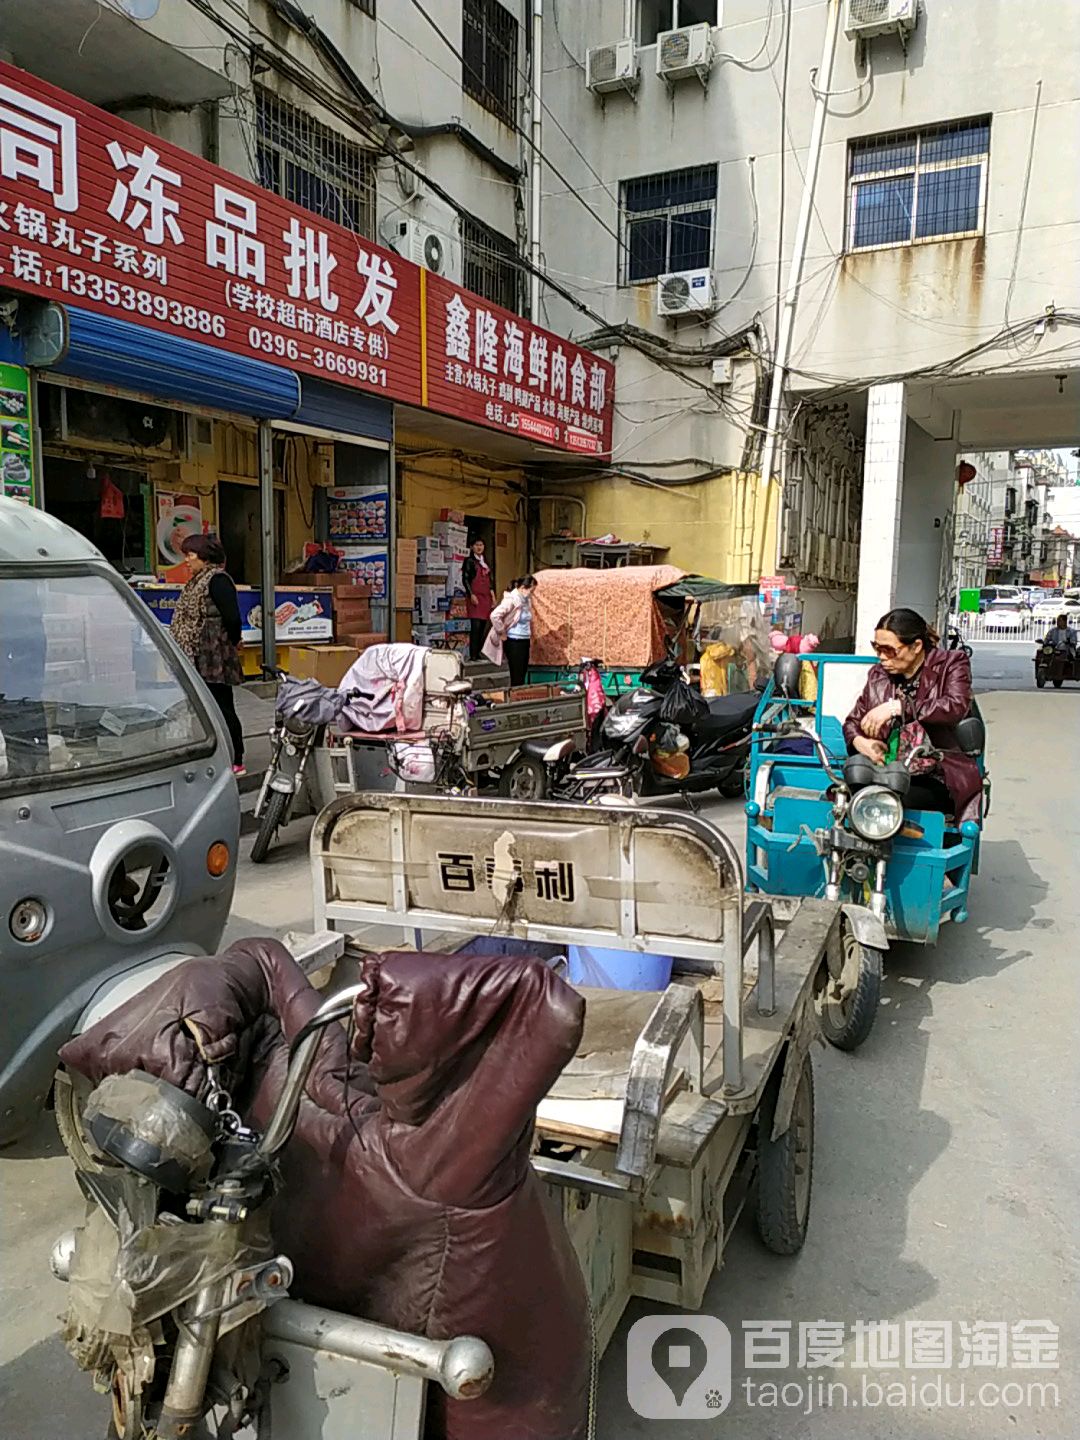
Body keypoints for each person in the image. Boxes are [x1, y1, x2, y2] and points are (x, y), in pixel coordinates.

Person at [843, 606, 981, 820]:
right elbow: (853, 722)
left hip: (936, 774)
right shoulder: (878, 675)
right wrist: (861, 742)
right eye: (876, 648)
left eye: (889, 650)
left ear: (916, 646)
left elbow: (955, 706)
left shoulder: (951, 664)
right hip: (883, 770)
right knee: (841, 798)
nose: (881, 657)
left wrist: (899, 707)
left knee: (886, 802)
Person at [171, 534, 246, 774]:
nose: (187, 560)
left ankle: (237, 757)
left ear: (204, 556)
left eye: (190, 555)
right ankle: (216, 752)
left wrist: (233, 643)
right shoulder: (196, 581)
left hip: (214, 654)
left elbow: (233, 618)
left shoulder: (218, 580)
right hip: (197, 652)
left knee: (222, 705)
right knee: (207, 706)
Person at [483, 575, 538, 687]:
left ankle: (520, 697)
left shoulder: (527, 600)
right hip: (514, 640)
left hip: (524, 639)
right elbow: (495, 615)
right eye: (531, 590)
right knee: (516, 673)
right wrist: (501, 631)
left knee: (522, 671)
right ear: (523, 588)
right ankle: (515, 698)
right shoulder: (512, 600)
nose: (532, 593)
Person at [462, 536, 494, 661]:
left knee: (483, 625)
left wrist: (493, 596)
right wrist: (471, 594)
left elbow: (489, 581)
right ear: (471, 547)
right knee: (475, 625)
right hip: (475, 596)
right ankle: (473, 654)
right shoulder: (469, 561)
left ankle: (480, 651)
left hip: (486, 597)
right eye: (476, 545)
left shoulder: (485, 562)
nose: (479, 547)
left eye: (481, 545)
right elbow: (465, 579)